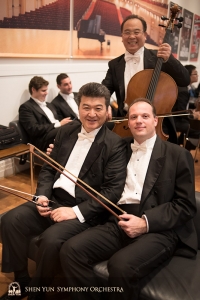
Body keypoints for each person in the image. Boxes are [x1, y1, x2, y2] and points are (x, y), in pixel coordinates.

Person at [60, 98, 197, 300]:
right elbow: (86, 153)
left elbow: (185, 205)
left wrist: (145, 222)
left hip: (158, 228)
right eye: (133, 117)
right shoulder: (118, 148)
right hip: (117, 221)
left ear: (155, 121)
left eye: (145, 116)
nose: (139, 121)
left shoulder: (178, 154)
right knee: (71, 250)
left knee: (120, 265)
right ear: (128, 122)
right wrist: (59, 153)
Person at [0, 82, 127, 300]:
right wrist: (42, 195)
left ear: (108, 111)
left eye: (98, 108)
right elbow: (49, 168)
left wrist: (75, 212)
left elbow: (112, 191)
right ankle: (21, 280)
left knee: (50, 241)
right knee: (10, 219)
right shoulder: (66, 131)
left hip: (83, 211)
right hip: (53, 200)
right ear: (78, 108)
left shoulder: (115, 144)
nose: (92, 114)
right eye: (86, 107)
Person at [101, 14, 190, 143]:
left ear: (144, 35)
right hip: (126, 124)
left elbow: (184, 80)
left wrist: (169, 59)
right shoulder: (115, 64)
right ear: (122, 36)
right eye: (127, 32)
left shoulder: (159, 58)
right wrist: (105, 104)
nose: (132, 36)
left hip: (158, 125)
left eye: (136, 32)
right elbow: (104, 89)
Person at [19, 76, 72, 151]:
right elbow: (34, 129)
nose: (46, 93)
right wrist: (58, 124)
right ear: (33, 90)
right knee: (67, 130)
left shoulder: (49, 105)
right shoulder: (26, 107)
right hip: (42, 139)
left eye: (46, 90)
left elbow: (57, 120)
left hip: (56, 133)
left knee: (75, 124)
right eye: (43, 91)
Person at [172, 65, 200, 146]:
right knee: (197, 129)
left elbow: (183, 105)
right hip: (176, 121)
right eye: (195, 73)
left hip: (179, 118)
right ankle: (185, 148)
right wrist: (193, 116)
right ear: (188, 76)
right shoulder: (183, 90)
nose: (197, 75)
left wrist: (192, 109)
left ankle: (179, 143)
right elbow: (180, 112)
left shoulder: (185, 88)